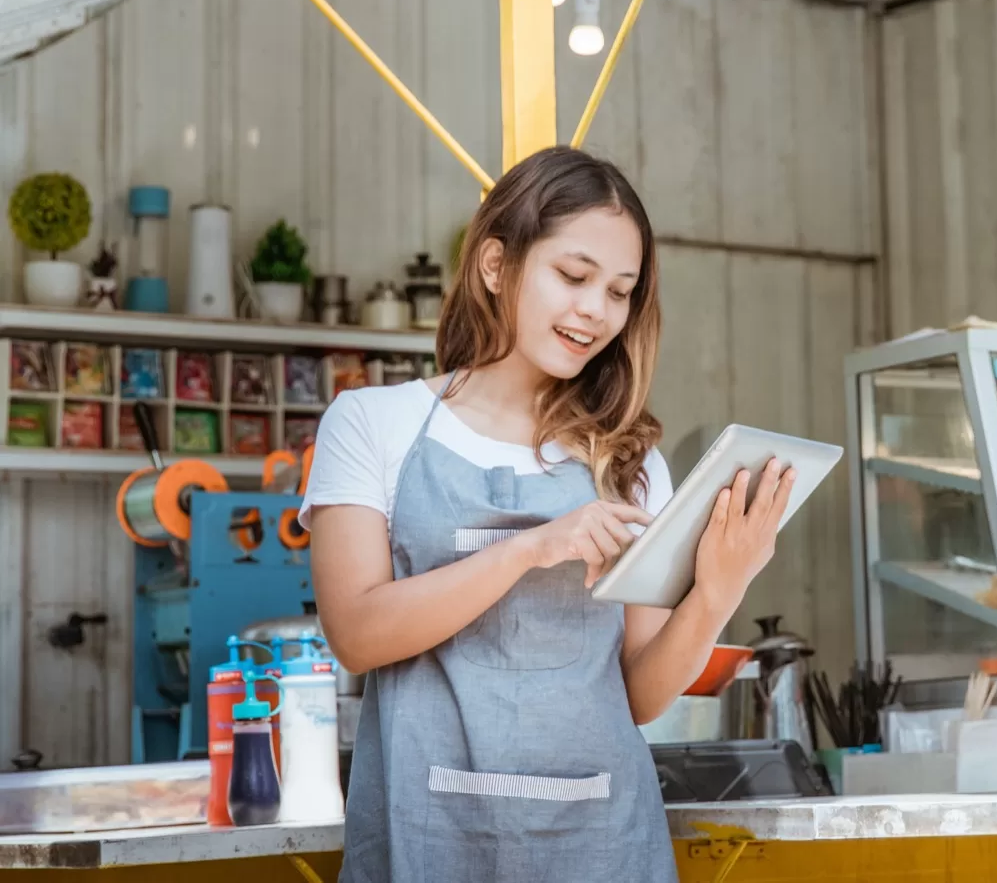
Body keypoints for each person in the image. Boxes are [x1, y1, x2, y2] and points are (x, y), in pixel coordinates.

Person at [301, 146, 795, 882]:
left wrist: (720, 588)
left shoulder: (631, 463)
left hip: (603, 845)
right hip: (428, 842)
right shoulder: (373, 423)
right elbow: (357, 634)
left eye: (621, 291)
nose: (596, 310)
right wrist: (533, 549)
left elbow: (641, 695)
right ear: (496, 265)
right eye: (574, 276)